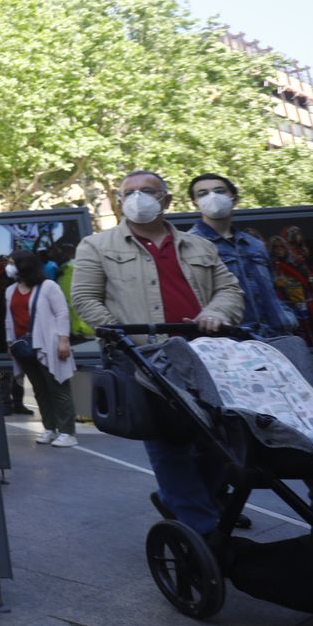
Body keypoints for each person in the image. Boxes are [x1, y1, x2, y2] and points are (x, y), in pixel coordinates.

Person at [71, 169, 244, 535]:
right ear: (119, 201)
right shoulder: (97, 246)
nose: (137, 198)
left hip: (204, 356)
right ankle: (203, 530)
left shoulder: (200, 246)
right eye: (129, 192)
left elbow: (229, 290)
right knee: (169, 446)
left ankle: (180, 500)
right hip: (144, 361)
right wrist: (120, 336)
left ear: (165, 199)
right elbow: (85, 299)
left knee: (224, 442)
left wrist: (216, 311)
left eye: (147, 191)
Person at [185, 174, 301, 339]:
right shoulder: (189, 244)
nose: (212, 197)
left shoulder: (255, 244)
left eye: (219, 191)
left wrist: (287, 316)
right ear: (195, 203)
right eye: (202, 193)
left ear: (234, 198)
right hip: (231, 340)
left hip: (276, 335)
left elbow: (272, 288)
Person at [5, 252, 76, 446]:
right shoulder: (10, 290)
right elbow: (9, 321)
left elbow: (62, 313)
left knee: (57, 388)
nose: (8, 267)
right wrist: (10, 343)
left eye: (12, 263)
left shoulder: (48, 287)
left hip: (48, 345)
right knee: (40, 390)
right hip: (24, 348)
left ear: (24, 265)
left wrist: (63, 340)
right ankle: (50, 428)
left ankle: (67, 432)